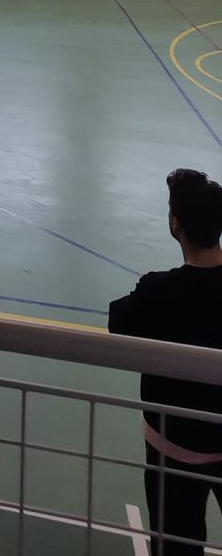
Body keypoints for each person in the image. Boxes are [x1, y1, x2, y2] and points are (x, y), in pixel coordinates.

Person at [109, 168, 222, 555]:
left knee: (176, 545)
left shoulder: (157, 291)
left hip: (172, 450)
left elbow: (118, 321)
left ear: (176, 224)